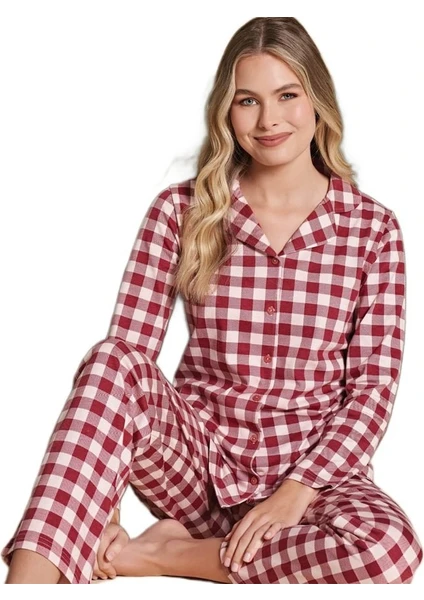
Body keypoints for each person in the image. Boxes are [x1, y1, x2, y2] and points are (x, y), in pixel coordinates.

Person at [2, 16, 423, 585]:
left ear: (317, 101)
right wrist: (102, 509)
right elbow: (125, 365)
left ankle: (160, 556)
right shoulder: (180, 211)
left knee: (388, 549)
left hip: (313, 481)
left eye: (287, 95)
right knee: (110, 359)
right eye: (248, 100)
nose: (269, 119)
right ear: (226, 111)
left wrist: (296, 493)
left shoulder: (372, 229)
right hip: (197, 469)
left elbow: (372, 391)